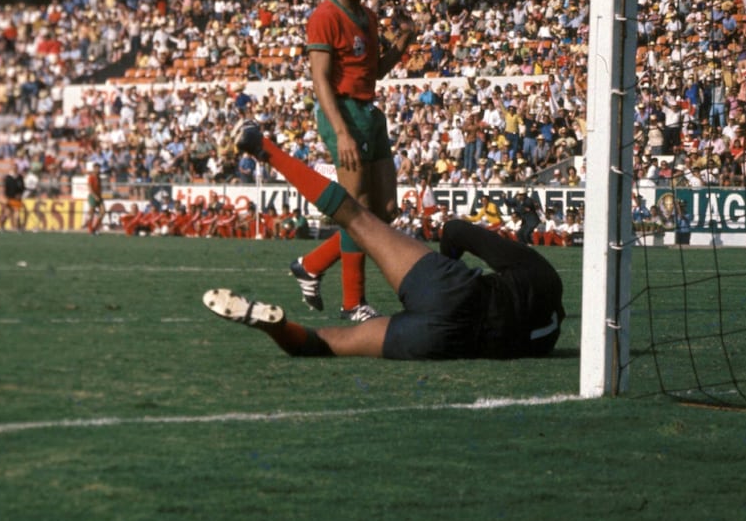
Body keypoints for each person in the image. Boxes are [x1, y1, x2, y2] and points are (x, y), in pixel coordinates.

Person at [209, 121, 564, 360]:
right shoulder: (546, 342)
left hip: (452, 289)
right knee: (330, 343)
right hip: (440, 341)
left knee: (355, 215)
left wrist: (446, 268)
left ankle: (263, 147)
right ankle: (275, 324)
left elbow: (456, 230)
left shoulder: (545, 277)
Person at [288, 0, 417, 321]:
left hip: (369, 112)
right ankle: (352, 303)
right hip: (343, 112)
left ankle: (311, 264)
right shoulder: (325, 16)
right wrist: (341, 132)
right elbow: (320, 80)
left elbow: (373, 70)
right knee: (357, 208)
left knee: (386, 211)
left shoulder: (369, 17)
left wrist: (403, 43)